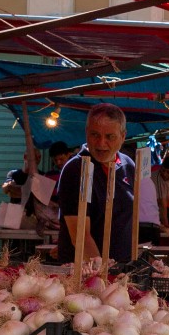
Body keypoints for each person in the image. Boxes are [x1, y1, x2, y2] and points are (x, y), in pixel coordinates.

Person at [56, 105, 138, 265]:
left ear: (123, 136)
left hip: (120, 270)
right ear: (86, 132)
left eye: (110, 136)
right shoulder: (76, 169)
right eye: (95, 135)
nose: (101, 143)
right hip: (85, 272)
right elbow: (80, 235)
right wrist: (101, 273)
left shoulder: (128, 165)